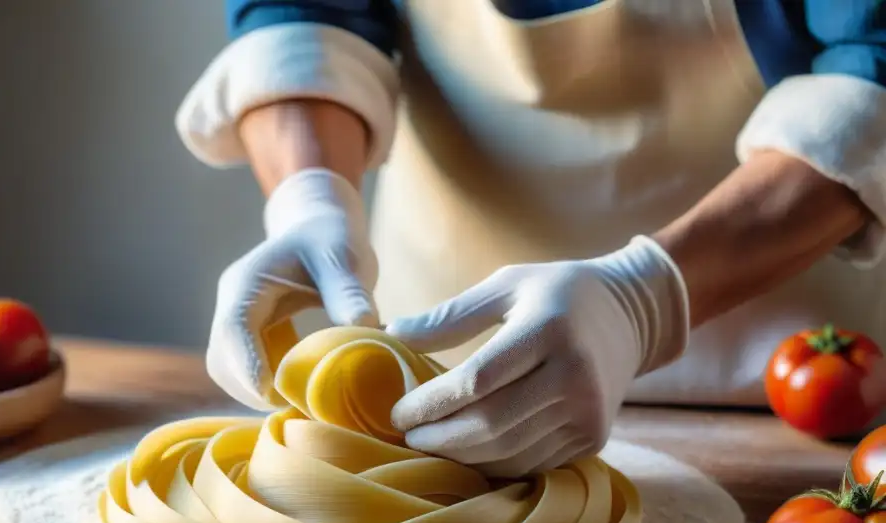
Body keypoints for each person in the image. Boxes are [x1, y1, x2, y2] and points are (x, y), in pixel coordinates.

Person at [174, 0, 886, 478]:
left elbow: (872, 71)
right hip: (440, 374)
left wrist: (643, 299)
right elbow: (303, 12)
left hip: (782, 391)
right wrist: (310, 196)